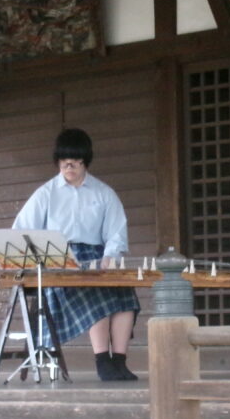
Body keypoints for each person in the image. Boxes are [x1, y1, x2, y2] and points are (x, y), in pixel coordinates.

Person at [13, 128, 140, 381]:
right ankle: (102, 360)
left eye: (74, 161)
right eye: (64, 161)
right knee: (97, 297)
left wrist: (110, 256)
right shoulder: (46, 193)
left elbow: (116, 232)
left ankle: (119, 361)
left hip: (98, 257)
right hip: (61, 260)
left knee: (127, 299)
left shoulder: (104, 193)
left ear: (85, 161)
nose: (68, 167)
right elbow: (21, 230)